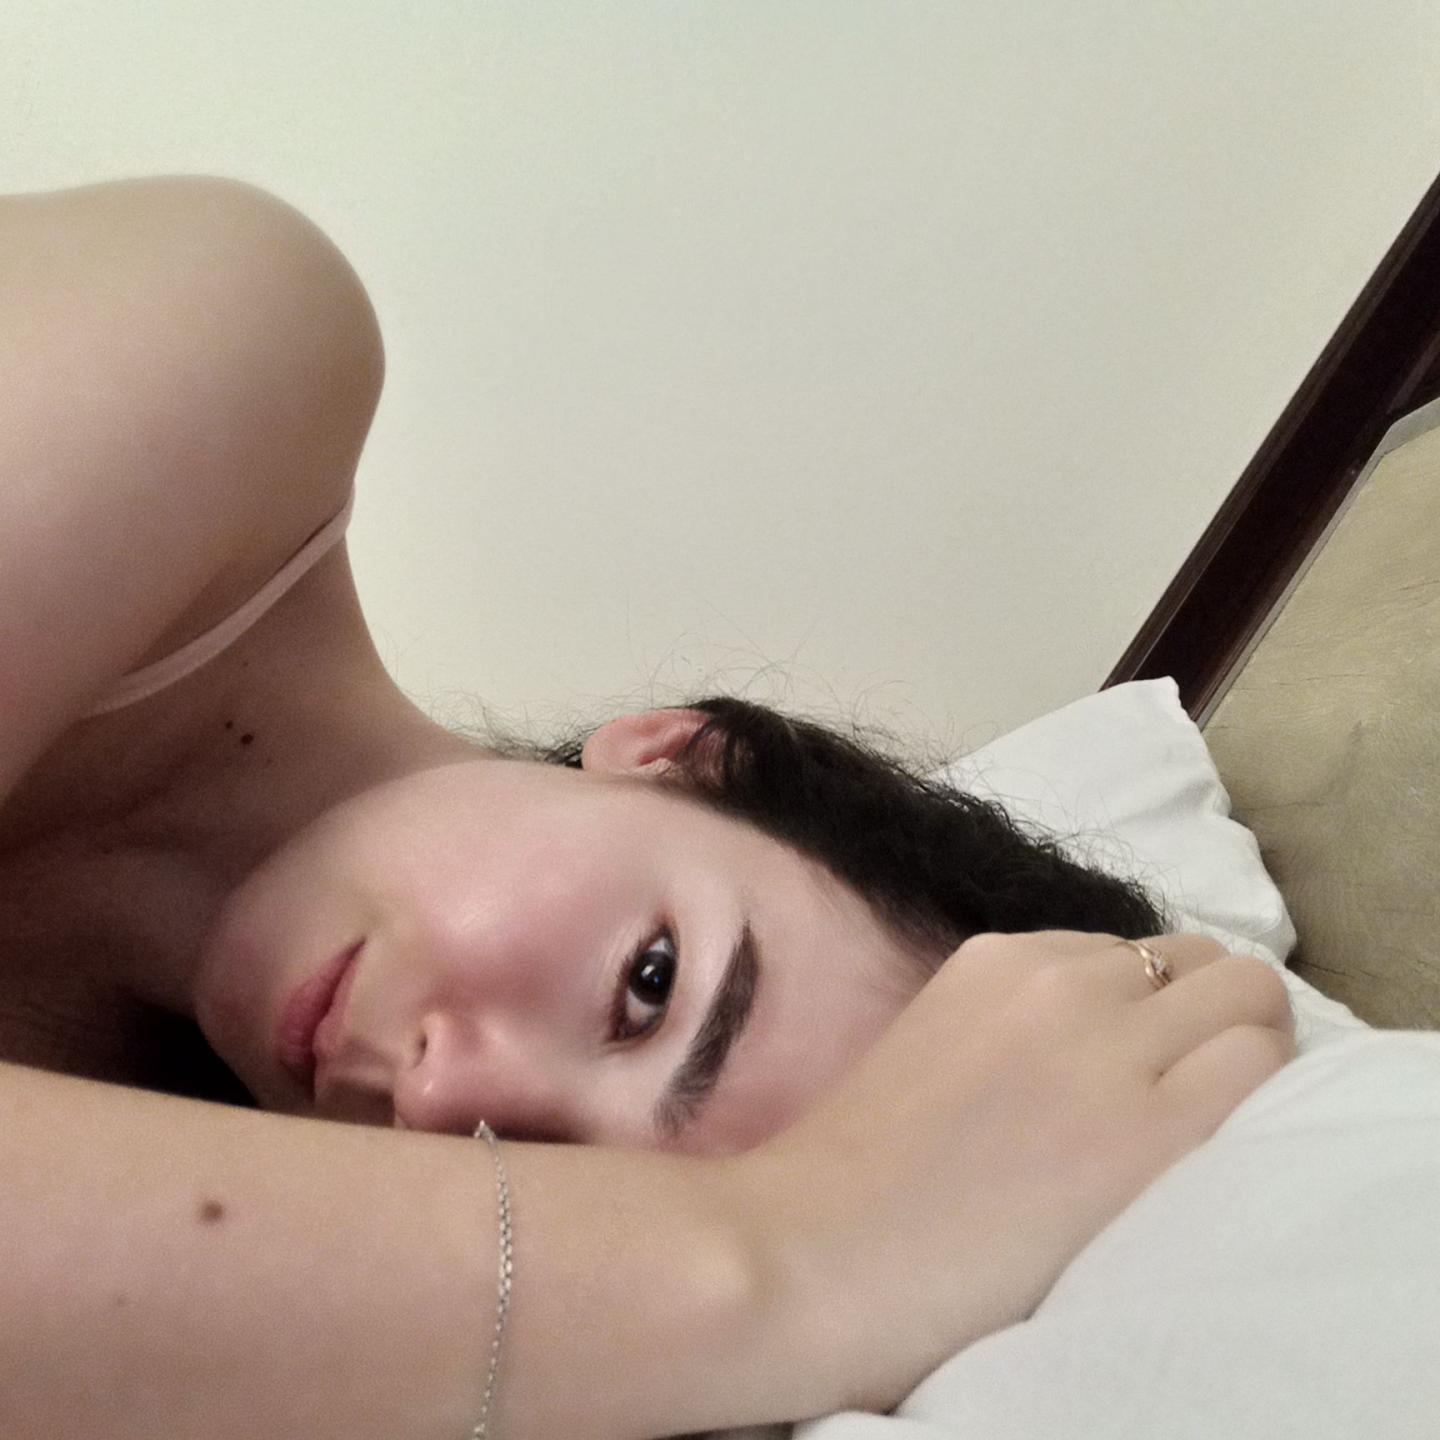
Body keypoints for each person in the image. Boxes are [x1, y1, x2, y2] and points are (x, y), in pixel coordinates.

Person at [0, 174, 1296, 1440]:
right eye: (651, 985)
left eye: (551, 1180)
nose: (443, 1104)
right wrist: (791, 1251)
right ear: (686, 758)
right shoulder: (229, 333)